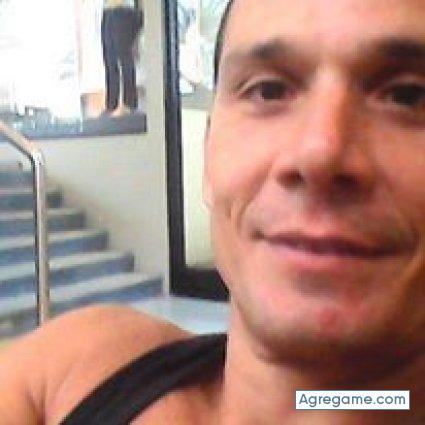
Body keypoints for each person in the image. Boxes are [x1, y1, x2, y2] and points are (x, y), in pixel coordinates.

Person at [1, 0, 425, 423]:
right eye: (268, 90)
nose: (319, 154)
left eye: (408, 96)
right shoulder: (68, 375)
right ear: (208, 153)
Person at [101, 0, 143, 115]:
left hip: (123, 9)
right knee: (110, 60)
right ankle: (111, 105)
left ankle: (130, 104)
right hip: (108, 10)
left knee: (125, 59)